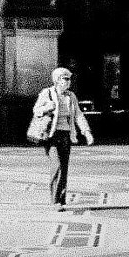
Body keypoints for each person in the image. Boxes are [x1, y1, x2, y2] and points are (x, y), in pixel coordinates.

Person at [31, 67, 94, 207]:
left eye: (69, 79)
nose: (68, 81)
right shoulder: (47, 93)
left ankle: (61, 200)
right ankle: (55, 201)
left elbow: (78, 115)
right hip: (51, 135)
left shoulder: (71, 96)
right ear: (57, 80)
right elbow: (36, 110)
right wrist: (47, 107)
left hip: (66, 135)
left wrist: (86, 132)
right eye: (65, 79)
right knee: (57, 166)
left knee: (64, 168)